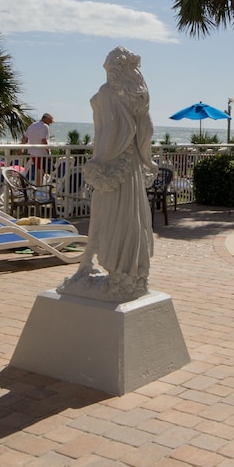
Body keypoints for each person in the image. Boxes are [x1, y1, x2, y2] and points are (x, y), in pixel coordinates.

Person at [57, 47, 156, 302]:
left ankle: (101, 269)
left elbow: (108, 131)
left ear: (113, 67)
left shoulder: (108, 92)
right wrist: (146, 160)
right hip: (131, 168)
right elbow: (146, 131)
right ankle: (125, 272)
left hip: (112, 167)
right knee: (127, 219)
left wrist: (97, 163)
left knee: (103, 216)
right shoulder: (138, 96)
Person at [21, 113, 53, 184]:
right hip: (41, 152)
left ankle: (39, 185)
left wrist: (21, 148)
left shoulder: (33, 125)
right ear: (46, 119)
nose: (50, 123)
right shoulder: (44, 126)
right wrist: (48, 152)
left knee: (39, 169)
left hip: (32, 152)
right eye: (50, 120)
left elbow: (24, 137)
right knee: (41, 170)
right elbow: (43, 140)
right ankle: (39, 186)